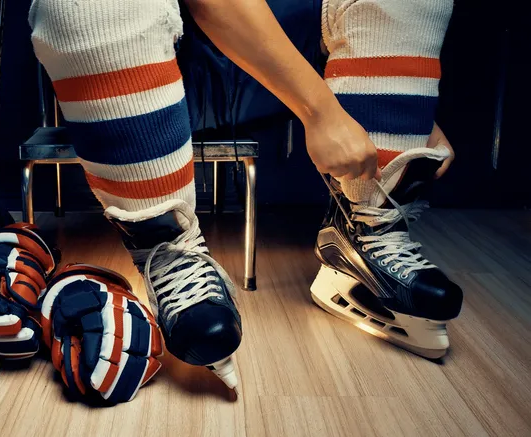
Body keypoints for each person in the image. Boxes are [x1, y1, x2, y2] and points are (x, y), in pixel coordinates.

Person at [27, 0, 463, 389]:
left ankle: (365, 234)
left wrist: (403, 105)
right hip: (140, 67)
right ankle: (168, 253)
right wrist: (321, 112)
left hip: (276, 69)